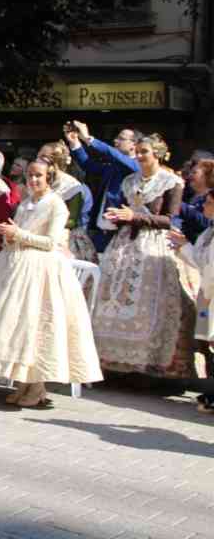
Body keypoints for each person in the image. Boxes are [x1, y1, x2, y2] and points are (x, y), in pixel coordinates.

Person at [0, 158, 103, 407]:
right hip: (16, 264)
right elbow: (22, 232)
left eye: (39, 176)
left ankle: (37, 387)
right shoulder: (26, 202)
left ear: (49, 178)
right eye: (30, 176)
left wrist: (18, 234)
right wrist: (11, 235)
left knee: (36, 324)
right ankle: (23, 383)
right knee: (18, 325)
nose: (33, 180)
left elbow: (51, 242)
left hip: (41, 269)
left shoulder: (56, 204)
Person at [91, 134, 195, 380]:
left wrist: (134, 216)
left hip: (153, 245)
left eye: (144, 151)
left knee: (148, 304)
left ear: (157, 154)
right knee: (113, 300)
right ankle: (112, 364)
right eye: (137, 151)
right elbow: (125, 210)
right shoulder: (130, 180)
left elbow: (169, 219)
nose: (138, 156)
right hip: (124, 244)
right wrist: (116, 217)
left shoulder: (171, 182)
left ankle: (145, 367)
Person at [168, 191, 214, 412]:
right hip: (207, 294)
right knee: (210, 344)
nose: (204, 206)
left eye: (209, 202)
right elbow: (200, 259)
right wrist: (184, 244)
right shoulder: (208, 231)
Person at [66, 121, 140, 252]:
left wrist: (88, 139)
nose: (115, 141)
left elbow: (114, 155)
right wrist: (75, 143)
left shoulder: (136, 166)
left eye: (121, 138)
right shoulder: (113, 165)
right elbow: (88, 165)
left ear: (134, 145)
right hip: (101, 229)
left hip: (123, 231)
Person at [40, 141, 97, 263]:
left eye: (42, 157)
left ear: (54, 161)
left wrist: (45, 224)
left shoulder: (72, 186)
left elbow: (72, 220)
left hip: (65, 239)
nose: (37, 161)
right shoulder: (39, 181)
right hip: (40, 236)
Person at [176, 158, 214, 244]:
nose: (190, 175)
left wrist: (178, 205)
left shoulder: (211, 200)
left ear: (207, 176)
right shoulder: (190, 193)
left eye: (194, 173)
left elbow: (207, 222)